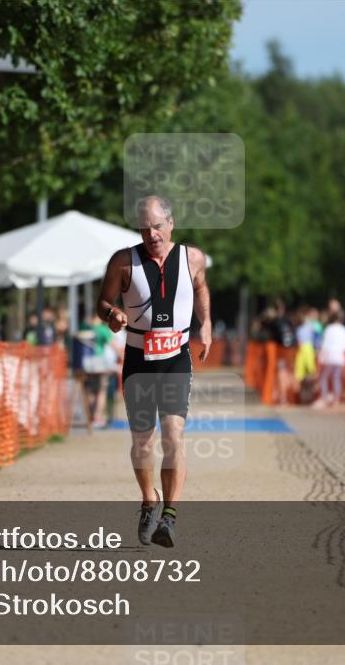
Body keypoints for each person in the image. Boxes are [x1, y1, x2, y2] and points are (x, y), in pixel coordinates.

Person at [96, 195, 211, 548]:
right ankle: (149, 500)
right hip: (137, 358)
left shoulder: (192, 258)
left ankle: (169, 518)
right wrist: (112, 314)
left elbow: (201, 287)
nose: (151, 234)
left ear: (171, 223)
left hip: (176, 357)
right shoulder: (123, 261)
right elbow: (102, 302)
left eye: (157, 226)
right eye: (144, 228)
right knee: (142, 442)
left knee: (173, 436)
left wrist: (205, 324)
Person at [314, 311, 345, 408]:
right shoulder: (344, 330)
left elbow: (324, 344)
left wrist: (321, 356)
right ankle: (336, 400)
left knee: (324, 378)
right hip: (340, 358)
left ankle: (325, 398)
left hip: (329, 357)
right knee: (336, 378)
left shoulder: (329, 329)